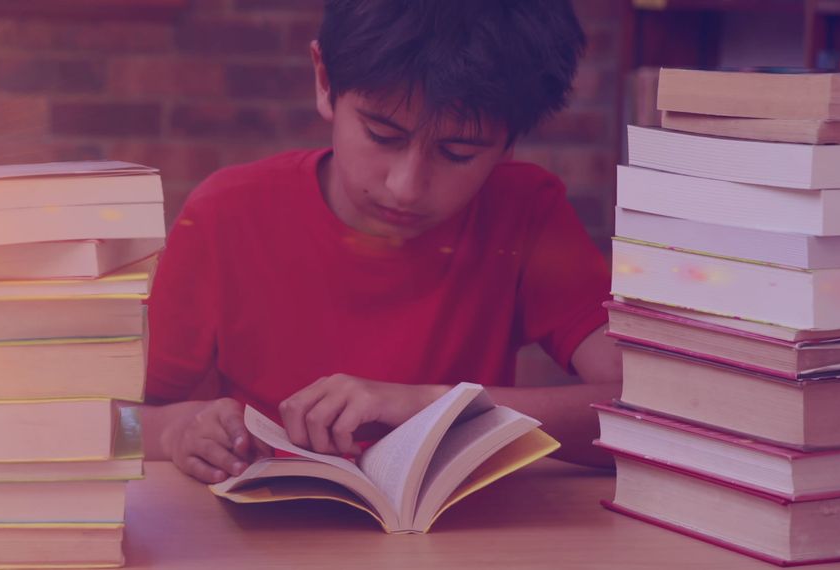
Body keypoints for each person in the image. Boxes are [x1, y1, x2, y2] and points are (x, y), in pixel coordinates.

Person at [140, 0, 622, 484]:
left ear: (509, 141)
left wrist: (437, 405)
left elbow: (658, 417)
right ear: (325, 81)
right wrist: (176, 430)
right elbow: (108, 420)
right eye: (382, 134)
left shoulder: (524, 212)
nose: (406, 187)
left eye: (458, 154)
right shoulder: (227, 214)